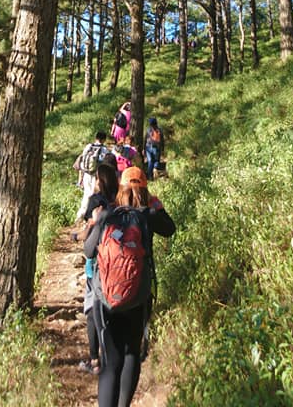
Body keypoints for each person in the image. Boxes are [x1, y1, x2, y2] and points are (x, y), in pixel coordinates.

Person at [83, 166, 175, 407]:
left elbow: (88, 251)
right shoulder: (147, 215)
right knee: (132, 352)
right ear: (144, 188)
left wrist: (99, 221)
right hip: (138, 295)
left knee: (111, 362)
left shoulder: (107, 215)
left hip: (106, 299)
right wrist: (156, 205)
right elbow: (170, 228)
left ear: (121, 187)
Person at [78, 162, 120, 375]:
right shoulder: (119, 199)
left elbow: (89, 228)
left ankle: (95, 359)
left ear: (99, 181)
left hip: (96, 260)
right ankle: (111, 352)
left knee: (92, 308)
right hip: (116, 259)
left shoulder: (96, 201)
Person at [75, 130, 109, 223]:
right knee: (93, 195)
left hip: (86, 173)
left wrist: (80, 178)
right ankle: (88, 216)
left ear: (96, 138)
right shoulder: (104, 149)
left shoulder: (88, 146)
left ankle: (80, 215)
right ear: (104, 139)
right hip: (96, 175)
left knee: (86, 193)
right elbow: (104, 162)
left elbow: (82, 159)